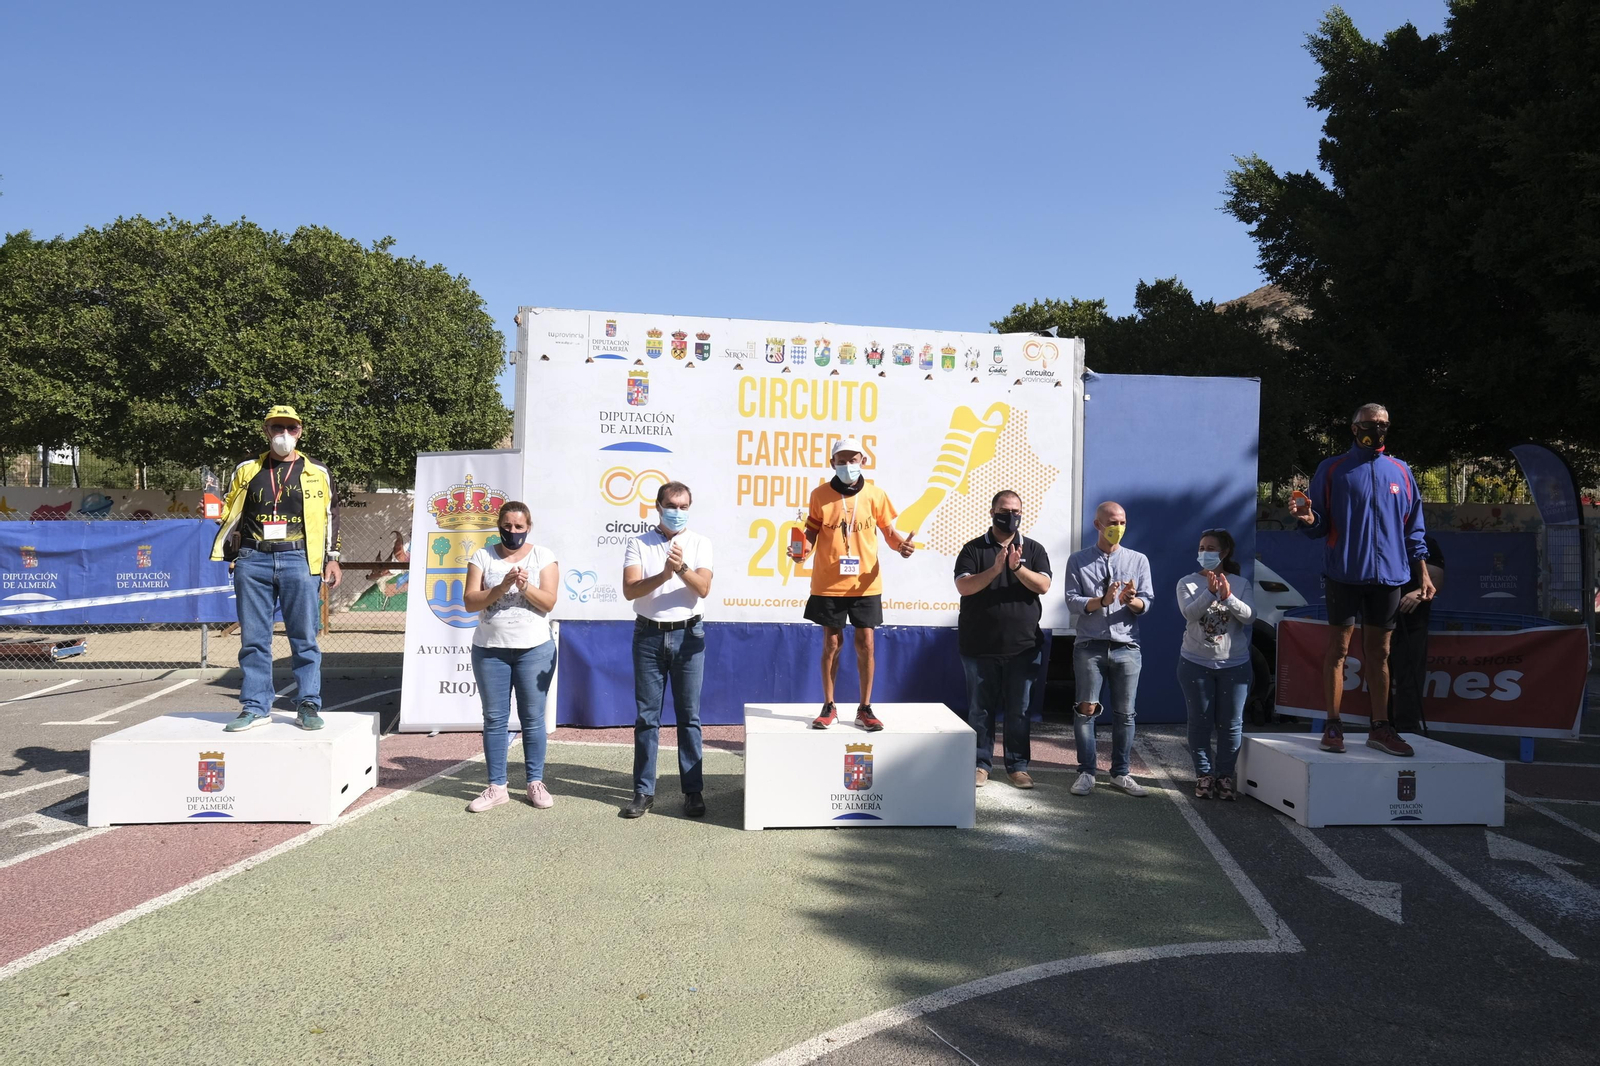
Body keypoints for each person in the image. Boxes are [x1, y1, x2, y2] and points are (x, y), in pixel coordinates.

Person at [1291, 403, 1434, 756]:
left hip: (1390, 577)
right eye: (1371, 423)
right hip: (1345, 573)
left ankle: (1380, 728)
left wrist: (1423, 574)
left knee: (1380, 653)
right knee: (1338, 649)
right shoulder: (1333, 469)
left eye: (1384, 423)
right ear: (1354, 428)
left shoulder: (1401, 471)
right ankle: (1334, 724)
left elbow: (1414, 529)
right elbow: (1319, 526)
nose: (1378, 428)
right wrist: (1308, 518)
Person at [211, 405, 341, 732]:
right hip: (253, 558)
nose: (284, 434)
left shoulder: (317, 471)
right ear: (266, 430)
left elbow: (330, 515)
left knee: (304, 637)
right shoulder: (247, 469)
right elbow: (231, 510)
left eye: (291, 428)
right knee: (254, 638)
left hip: (300, 558)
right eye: (277, 427)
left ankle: (308, 703)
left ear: (300, 431)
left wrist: (333, 556)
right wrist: (230, 548)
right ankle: (256, 706)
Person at [793, 437, 916, 731]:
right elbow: (811, 530)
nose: (848, 465)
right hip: (828, 583)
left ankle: (865, 708)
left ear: (863, 461)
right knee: (832, 644)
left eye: (853, 459)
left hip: (866, 583)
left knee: (867, 645)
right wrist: (801, 552)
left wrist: (901, 547)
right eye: (842, 460)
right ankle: (829, 706)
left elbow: (889, 532)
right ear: (832, 463)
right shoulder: (820, 494)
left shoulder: (875, 495)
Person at [621, 480, 714, 819]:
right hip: (648, 636)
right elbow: (630, 590)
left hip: (690, 635)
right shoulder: (639, 543)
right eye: (671, 506)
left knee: (689, 717)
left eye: (683, 506)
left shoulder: (700, 543)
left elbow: (703, 588)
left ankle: (693, 791)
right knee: (647, 718)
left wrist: (682, 568)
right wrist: (664, 574)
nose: (677, 512)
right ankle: (643, 791)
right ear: (658, 506)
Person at [461, 502, 559, 813]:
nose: (512, 531)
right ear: (498, 525)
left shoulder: (543, 555)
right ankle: (497, 786)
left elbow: (548, 603)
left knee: (532, 719)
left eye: (518, 526)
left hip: (535, 649)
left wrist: (525, 586)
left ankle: (535, 782)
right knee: (494, 719)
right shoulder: (482, 556)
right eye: (506, 525)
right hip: (490, 651)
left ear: (528, 526)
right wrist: (502, 585)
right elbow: (469, 602)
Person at [955, 491, 1053, 788]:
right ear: (992, 511)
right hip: (979, 647)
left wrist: (1016, 567)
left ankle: (1018, 766)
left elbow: (1044, 585)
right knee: (980, 710)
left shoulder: (1033, 549)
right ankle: (980, 764)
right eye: (1004, 510)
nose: (1010, 515)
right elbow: (964, 586)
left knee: (1019, 711)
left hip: (1023, 648)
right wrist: (996, 568)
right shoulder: (973, 549)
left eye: (1015, 511)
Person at [1063, 501, 1152, 797]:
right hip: (1090, 646)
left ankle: (1120, 773)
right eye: (1112, 522)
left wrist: (1130, 601)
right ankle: (1087, 772)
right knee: (1086, 711)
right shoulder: (1078, 560)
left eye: (1123, 522)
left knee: (1125, 714)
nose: (1118, 527)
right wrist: (1101, 600)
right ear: (1097, 525)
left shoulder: (1138, 560)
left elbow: (1146, 603)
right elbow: (1072, 601)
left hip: (1127, 646)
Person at [1175, 528, 1254, 800]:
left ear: (1224, 552)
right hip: (1195, 662)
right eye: (1201, 548)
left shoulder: (1241, 583)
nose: (1204, 553)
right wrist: (1210, 593)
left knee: (1231, 724)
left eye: (1210, 548)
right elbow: (1190, 613)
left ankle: (1224, 777)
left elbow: (1249, 617)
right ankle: (1204, 775)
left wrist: (1229, 597)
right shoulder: (1187, 582)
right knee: (1199, 722)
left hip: (1235, 664)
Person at [1389, 534, 1445, 734]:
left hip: (1412, 622)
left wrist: (1417, 594)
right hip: (1379, 622)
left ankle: (1407, 729)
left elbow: (1436, 577)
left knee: (1410, 679)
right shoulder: (1375, 537)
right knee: (1378, 677)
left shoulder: (1426, 541)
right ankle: (1380, 726)